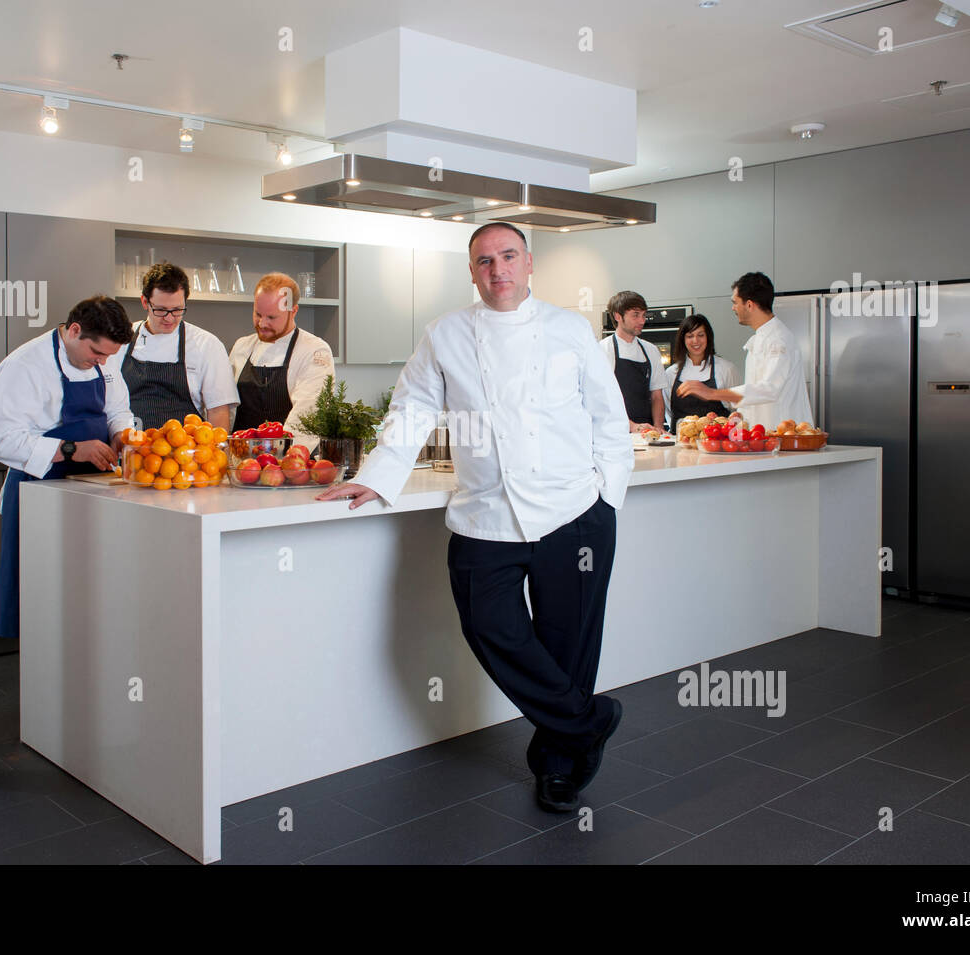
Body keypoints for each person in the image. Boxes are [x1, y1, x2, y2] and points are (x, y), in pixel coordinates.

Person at [317, 223, 632, 814]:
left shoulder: (569, 329)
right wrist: (376, 476)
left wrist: (607, 496)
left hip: (574, 512)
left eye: (508, 256)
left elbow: (608, 418)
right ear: (471, 271)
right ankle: (589, 719)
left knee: (570, 644)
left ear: (529, 263)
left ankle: (558, 767)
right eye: (484, 261)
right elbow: (411, 408)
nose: (498, 270)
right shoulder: (446, 333)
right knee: (489, 625)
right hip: (484, 510)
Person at [0, 295, 135, 640]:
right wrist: (71, 449)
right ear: (75, 330)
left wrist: (123, 434)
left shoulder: (105, 358)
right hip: (40, 491)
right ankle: (41, 668)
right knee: (43, 589)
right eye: (96, 354)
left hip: (95, 489)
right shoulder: (23, 366)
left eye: (109, 357)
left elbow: (118, 409)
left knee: (89, 590)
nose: (102, 362)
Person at [108, 262, 238, 433]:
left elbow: (218, 411)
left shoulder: (207, 345)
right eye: (161, 310)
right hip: (130, 449)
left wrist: (215, 455)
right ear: (145, 302)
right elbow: (108, 403)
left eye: (177, 310)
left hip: (187, 455)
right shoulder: (120, 340)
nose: (169, 319)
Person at [675, 271, 813, 431]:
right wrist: (741, 414)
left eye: (735, 302)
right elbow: (755, 391)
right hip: (764, 436)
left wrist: (712, 393)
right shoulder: (761, 338)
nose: (733, 308)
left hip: (784, 436)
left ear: (749, 304)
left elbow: (769, 389)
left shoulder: (778, 340)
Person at [228, 272, 335, 449]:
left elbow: (308, 415)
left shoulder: (314, 350)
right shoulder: (242, 346)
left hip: (287, 461)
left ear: (293, 311)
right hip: (241, 460)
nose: (262, 323)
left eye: (271, 317)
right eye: (257, 314)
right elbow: (228, 409)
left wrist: (283, 461)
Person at [599, 290, 669, 433]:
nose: (642, 321)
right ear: (618, 316)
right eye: (635, 315)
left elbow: (657, 396)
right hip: (614, 432)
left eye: (643, 315)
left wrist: (658, 429)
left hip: (646, 432)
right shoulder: (603, 350)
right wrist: (631, 426)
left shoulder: (651, 350)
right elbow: (602, 399)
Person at [662, 313, 741, 434]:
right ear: (683, 340)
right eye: (690, 336)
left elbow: (737, 409)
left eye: (701, 335)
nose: (695, 341)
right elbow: (668, 411)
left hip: (717, 445)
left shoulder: (726, 369)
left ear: (708, 337)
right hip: (681, 444)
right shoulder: (671, 373)